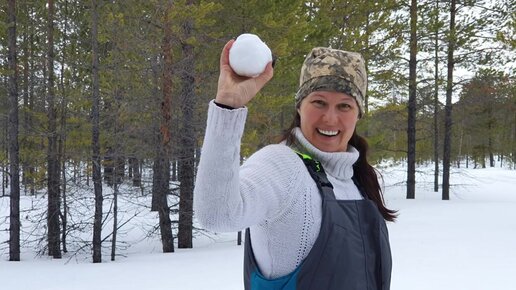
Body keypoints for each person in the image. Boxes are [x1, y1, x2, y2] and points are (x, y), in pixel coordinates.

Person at [193, 39, 396, 290]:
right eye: (319, 102)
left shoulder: (359, 181)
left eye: (344, 106)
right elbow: (217, 214)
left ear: (358, 113)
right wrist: (228, 106)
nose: (330, 118)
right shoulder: (282, 165)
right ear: (300, 106)